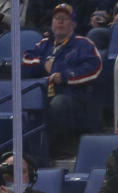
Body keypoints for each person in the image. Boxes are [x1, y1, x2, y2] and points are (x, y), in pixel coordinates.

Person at [21, 3, 102, 158]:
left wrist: (63, 76)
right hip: (44, 94)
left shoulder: (83, 44)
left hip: (75, 97)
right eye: (57, 18)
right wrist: (43, 65)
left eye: (64, 19)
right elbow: (25, 62)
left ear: (73, 24)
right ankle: (32, 153)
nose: (60, 22)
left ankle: (62, 149)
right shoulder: (44, 44)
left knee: (59, 103)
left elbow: (93, 68)